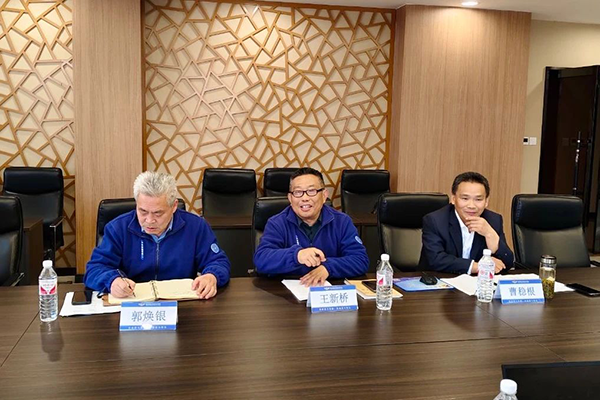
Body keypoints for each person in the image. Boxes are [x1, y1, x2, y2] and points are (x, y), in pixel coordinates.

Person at [84, 171, 230, 299]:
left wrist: (212, 276)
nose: (149, 220)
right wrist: (112, 280)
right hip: (132, 305)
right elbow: (95, 268)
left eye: (158, 213)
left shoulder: (196, 226)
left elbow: (218, 261)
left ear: (174, 206)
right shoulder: (118, 228)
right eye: (143, 211)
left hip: (182, 306)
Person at [254, 167, 369, 286]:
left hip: (329, 291)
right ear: (290, 198)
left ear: (324, 195)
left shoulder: (342, 221)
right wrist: (296, 256)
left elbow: (360, 260)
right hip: (286, 291)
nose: (305, 198)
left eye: (311, 191)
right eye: (298, 192)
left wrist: (328, 268)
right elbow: (261, 259)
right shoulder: (277, 223)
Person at [419, 171, 514, 274]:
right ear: (453, 199)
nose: (471, 206)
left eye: (478, 199)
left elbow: (507, 263)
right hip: (439, 280)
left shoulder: (493, 220)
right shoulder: (435, 220)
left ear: (486, 201)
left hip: (477, 282)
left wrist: (489, 234)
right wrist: (477, 266)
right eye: (465, 198)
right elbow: (436, 260)